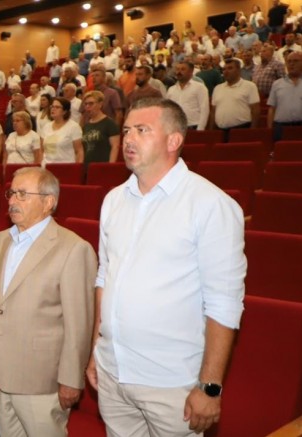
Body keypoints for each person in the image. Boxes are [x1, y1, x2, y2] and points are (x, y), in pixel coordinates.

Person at [89, 98, 246, 436]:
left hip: (171, 382)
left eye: (142, 130)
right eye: (126, 130)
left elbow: (224, 304)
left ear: (174, 141)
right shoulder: (114, 200)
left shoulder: (210, 204)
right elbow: (104, 278)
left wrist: (209, 387)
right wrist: (95, 351)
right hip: (113, 371)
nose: (129, 139)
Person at [0, 167, 96, 437]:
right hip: (2, 373)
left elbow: (79, 324)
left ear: (48, 202)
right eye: (11, 193)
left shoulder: (73, 248)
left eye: (23, 194)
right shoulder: (2, 239)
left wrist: (71, 379)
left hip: (41, 381)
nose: (13, 201)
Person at [210, 58, 261, 140]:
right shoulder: (217, 88)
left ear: (239, 70)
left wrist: (252, 131)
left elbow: (255, 110)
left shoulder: (250, 86)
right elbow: (213, 111)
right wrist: (212, 131)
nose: (226, 71)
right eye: (224, 69)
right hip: (220, 131)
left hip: (242, 130)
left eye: (230, 68)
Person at [166, 61, 210, 130]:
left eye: (183, 69)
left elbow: (204, 110)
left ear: (191, 72)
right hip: (176, 127)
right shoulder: (171, 89)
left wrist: (200, 129)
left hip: (194, 127)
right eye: (177, 69)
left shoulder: (199, 87)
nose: (179, 72)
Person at [81, 91, 122, 165]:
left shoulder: (109, 123)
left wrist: (110, 166)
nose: (87, 106)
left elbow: (115, 147)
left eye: (91, 103)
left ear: (100, 104)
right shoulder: (86, 125)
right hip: (87, 166)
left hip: (102, 165)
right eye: (86, 104)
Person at [39, 98, 84, 164]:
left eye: (57, 107)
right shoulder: (46, 127)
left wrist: (77, 168)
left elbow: (79, 151)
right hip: (46, 166)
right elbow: (41, 150)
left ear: (64, 111)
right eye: (52, 106)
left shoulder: (73, 127)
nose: (53, 109)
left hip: (65, 166)